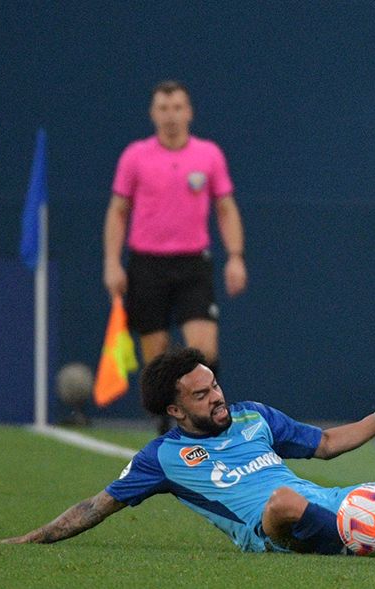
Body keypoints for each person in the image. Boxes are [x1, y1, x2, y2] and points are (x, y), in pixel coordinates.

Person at [0, 348, 375, 563]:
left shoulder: (253, 417)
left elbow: (326, 444)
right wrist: (31, 540)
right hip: (272, 530)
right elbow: (97, 505)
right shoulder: (162, 458)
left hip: (330, 503)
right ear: (175, 411)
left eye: (214, 385)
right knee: (281, 500)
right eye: (202, 395)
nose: (217, 397)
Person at [103, 81, 248, 434]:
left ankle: (210, 421)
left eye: (178, 108)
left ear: (189, 112)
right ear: (153, 113)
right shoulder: (135, 156)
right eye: (164, 108)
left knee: (204, 350)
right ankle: (165, 426)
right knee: (156, 356)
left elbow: (225, 208)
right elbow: (118, 211)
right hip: (147, 265)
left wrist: (235, 256)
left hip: (192, 264)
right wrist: (112, 262)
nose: (171, 116)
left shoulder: (208, 155)